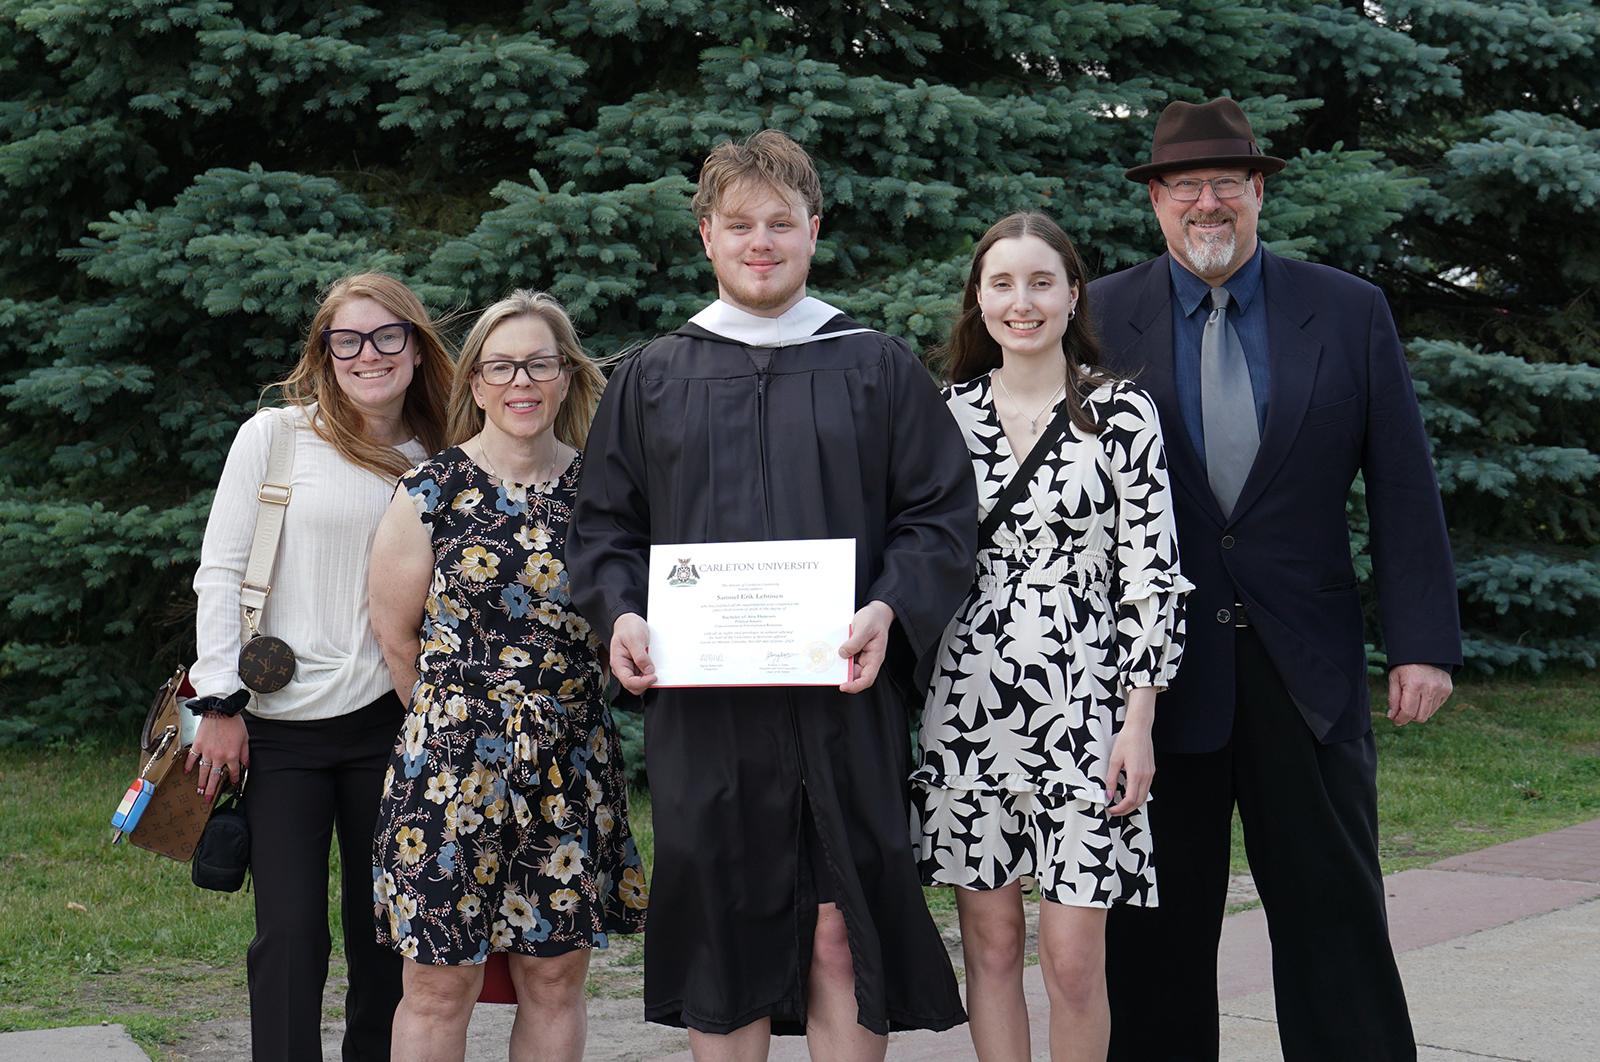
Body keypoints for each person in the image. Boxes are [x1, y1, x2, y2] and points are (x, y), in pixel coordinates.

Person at [566, 129, 976, 1062]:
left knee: (843, 928)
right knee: (725, 933)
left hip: (843, 699)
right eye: (741, 224)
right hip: (706, 713)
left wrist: (890, 608)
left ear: (814, 231)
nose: (762, 242)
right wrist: (622, 614)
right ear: (706, 235)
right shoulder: (651, 377)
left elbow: (939, 517)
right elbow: (602, 530)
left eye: (781, 224)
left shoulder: (874, 366)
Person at [1091, 97, 1462, 1061]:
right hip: (1158, 679)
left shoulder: (1347, 309)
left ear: (1258, 192)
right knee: (1155, 936)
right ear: (1156, 204)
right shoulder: (1096, 315)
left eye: (1225, 184)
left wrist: (1423, 644)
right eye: (1185, 188)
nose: (1205, 204)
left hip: (1310, 668)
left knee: (1334, 914)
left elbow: (1403, 483)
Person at [912, 211, 1190, 1062]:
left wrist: (1138, 725)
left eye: (1041, 282)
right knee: (990, 951)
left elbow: (1152, 579)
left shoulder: (1120, 413)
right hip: (966, 713)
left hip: (1088, 716)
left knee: (1073, 963)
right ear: (979, 301)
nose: (1021, 302)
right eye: (1002, 283)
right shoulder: (941, 417)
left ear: (1074, 295)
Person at [368, 290, 647, 1062]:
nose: (521, 381)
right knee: (436, 987)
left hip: (570, 767)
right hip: (450, 772)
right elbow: (397, 639)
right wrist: (464, 729)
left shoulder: (606, 496)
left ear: (565, 377)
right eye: (501, 366)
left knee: (553, 982)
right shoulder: (430, 492)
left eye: (539, 363)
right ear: (477, 382)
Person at [187, 272, 454, 1061]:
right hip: (279, 727)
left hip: (394, 722)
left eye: (385, 336)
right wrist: (220, 703)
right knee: (291, 934)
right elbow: (220, 572)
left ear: (414, 343)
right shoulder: (275, 437)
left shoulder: (444, 451)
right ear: (325, 352)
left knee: (382, 934)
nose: (367, 355)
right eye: (347, 340)